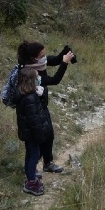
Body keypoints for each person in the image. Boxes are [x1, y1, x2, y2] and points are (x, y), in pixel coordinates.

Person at [18, 41, 75, 175]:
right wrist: (65, 62)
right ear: (34, 58)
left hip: (41, 106)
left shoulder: (38, 62)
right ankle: (31, 167)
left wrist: (63, 53)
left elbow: (53, 60)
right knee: (36, 139)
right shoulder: (30, 73)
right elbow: (54, 80)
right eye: (42, 55)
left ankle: (47, 163)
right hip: (32, 109)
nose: (45, 57)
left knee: (49, 135)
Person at [16, 67, 51, 196]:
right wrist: (40, 136)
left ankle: (30, 177)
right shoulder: (30, 98)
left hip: (28, 133)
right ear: (31, 81)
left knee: (30, 154)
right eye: (37, 78)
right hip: (32, 134)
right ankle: (31, 182)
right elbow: (34, 120)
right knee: (34, 155)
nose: (39, 79)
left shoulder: (25, 95)